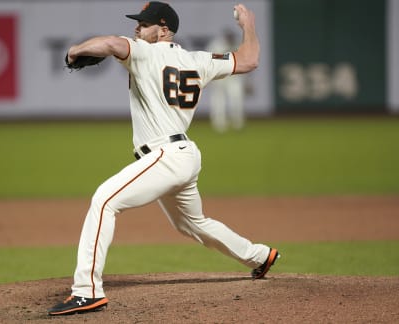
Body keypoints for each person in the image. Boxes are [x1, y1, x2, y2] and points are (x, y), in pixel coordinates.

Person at [48, 2, 279, 316]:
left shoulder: (145, 52)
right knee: (192, 224)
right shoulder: (199, 59)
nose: (137, 29)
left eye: (144, 24)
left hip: (165, 155)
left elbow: (112, 44)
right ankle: (259, 256)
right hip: (184, 156)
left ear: (164, 29)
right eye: (138, 24)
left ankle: (86, 292)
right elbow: (249, 60)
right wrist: (248, 25)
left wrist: (74, 49)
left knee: (104, 201)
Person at [207, 29, 247, 132]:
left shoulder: (237, 45)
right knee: (218, 101)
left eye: (231, 37)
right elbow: (209, 60)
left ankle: (237, 122)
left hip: (233, 76)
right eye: (229, 37)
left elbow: (243, 62)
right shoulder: (216, 44)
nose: (230, 39)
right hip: (219, 75)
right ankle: (219, 123)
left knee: (236, 98)